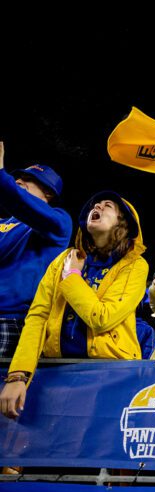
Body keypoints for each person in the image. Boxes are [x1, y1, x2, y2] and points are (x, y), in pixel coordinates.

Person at [0, 190, 147, 418]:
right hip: (56, 373)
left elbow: (102, 318)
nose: (97, 207)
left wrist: (72, 278)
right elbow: (38, 317)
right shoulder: (63, 260)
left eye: (107, 205)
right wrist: (18, 375)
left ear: (123, 222)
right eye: (95, 205)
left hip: (109, 377)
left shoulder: (135, 266)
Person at [0, 141, 71, 358]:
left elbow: (18, 200)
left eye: (30, 180)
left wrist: (2, 179)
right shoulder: (5, 222)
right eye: (17, 178)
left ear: (48, 193)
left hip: (12, 319)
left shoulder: (59, 220)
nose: (19, 180)